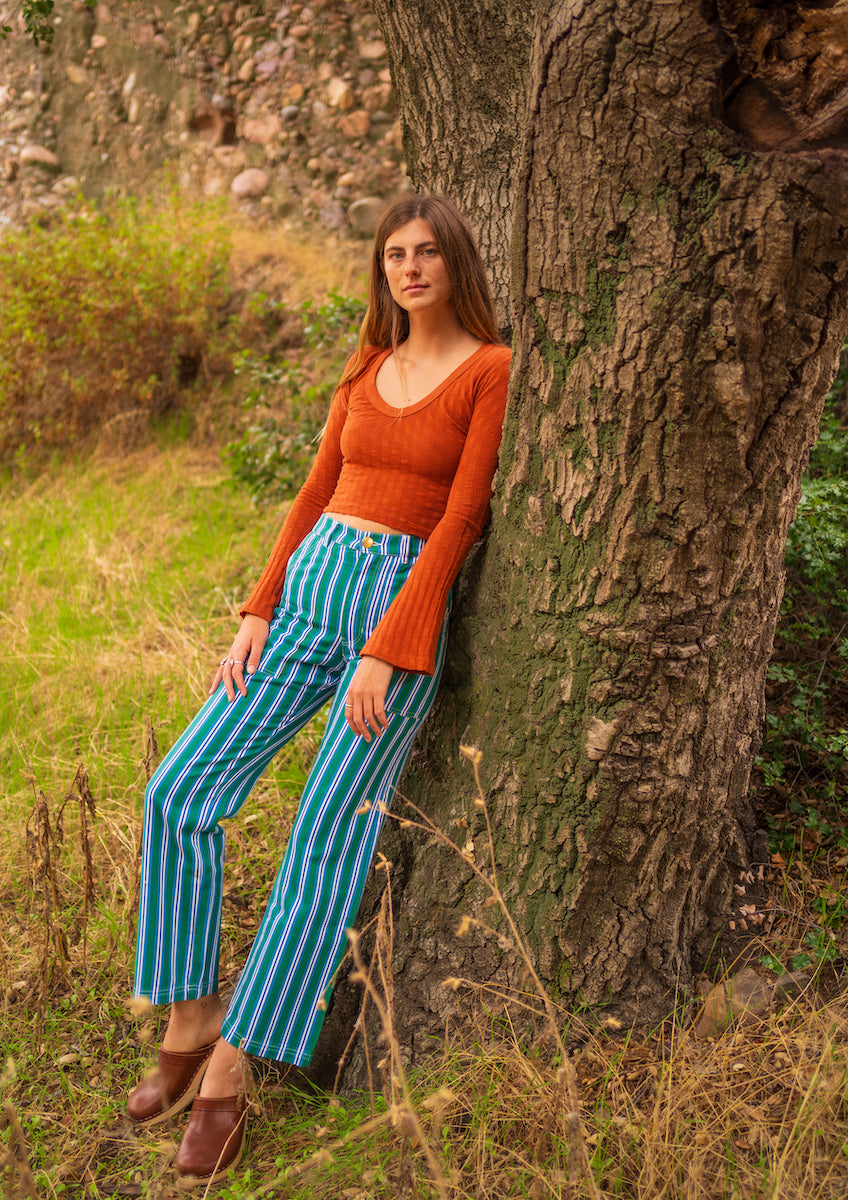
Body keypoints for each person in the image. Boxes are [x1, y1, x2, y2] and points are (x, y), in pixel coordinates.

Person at [127, 193, 512, 1186]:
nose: (409, 268)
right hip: (306, 597)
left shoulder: (489, 371)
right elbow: (311, 489)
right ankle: (188, 1008)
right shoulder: (365, 364)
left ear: (455, 264)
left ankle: (229, 1071)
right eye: (394, 254)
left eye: (427, 253)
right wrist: (257, 606)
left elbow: (461, 520)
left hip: (395, 615)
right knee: (178, 791)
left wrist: (388, 647)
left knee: (321, 844)